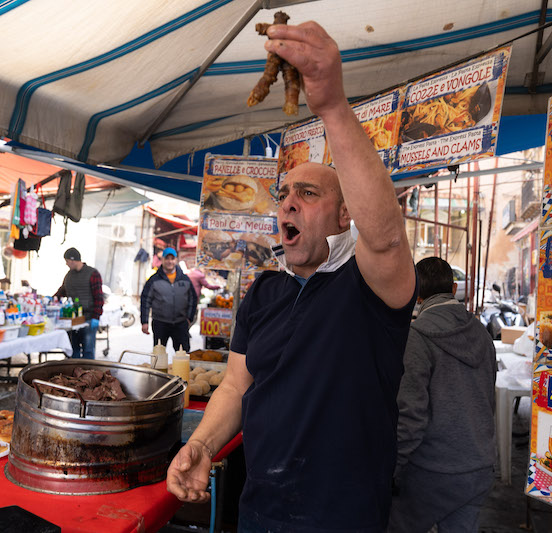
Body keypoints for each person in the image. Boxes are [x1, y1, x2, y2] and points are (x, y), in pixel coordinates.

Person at [166, 21, 417, 532]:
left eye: (308, 194)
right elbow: (236, 385)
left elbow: (387, 237)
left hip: (342, 518)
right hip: (260, 508)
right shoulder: (264, 290)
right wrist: (201, 443)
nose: (288, 203)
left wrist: (332, 108)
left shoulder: (369, 285)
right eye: (284, 195)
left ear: (344, 215)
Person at [387, 257, 496, 533]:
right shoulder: (483, 334)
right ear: (454, 287)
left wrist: (392, 470)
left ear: (416, 293)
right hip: (479, 467)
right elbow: (488, 400)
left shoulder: (416, 338)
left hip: (432, 472)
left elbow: (410, 417)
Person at [140, 248, 197, 352]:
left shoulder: (185, 279)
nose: (170, 261)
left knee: (183, 354)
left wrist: (189, 318)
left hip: (181, 323)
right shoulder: (154, 280)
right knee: (158, 355)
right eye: (167, 258)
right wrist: (144, 321)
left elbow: (193, 299)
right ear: (162, 260)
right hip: (160, 323)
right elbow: (145, 300)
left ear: (176, 260)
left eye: (172, 258)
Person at [54, 247, 103, 359]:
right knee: (73, 351)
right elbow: (63, 290)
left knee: (88, 351)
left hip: (89, 319)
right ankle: (74, 374)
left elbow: (99, 298)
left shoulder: (92, 274)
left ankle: (89, 375)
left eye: (67, 261)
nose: (66, 264)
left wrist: (96, 316)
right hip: (73, 319)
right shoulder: (69, 275)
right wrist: (52, 299)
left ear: (73, 260)